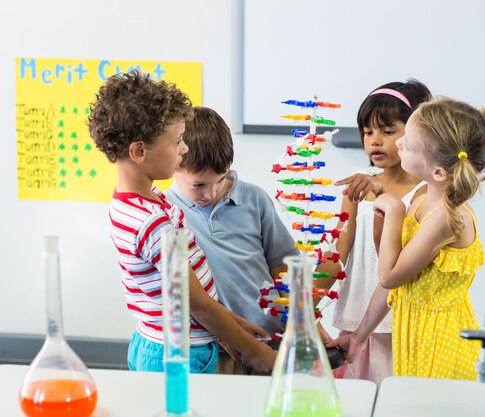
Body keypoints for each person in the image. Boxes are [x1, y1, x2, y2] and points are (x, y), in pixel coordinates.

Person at [88, 71, 275, 374]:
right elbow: (196, 303)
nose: (184, 149)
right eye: (176, 142)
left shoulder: (140, 202)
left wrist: (232, 326)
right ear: (139, 151)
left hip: (170, 341)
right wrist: (257, 353)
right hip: (179, 353)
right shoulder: (152, 224)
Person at [327, 96, 485, 379]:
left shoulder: (446, 216)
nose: (400, 144)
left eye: (410, 143)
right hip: (413, 332)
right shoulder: (422, 201)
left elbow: (390, 276)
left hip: (437, 341)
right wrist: (359, 336)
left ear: (438, 171)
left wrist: (394, 211)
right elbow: (397, 282)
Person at [164, 106, 299, 374]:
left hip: (268, 337)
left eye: (221, 179)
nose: (210, 192)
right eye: (199, 185)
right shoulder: (166, 212)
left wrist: (300, 320)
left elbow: (282, 265)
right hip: (215, 345)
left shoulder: (254, 199)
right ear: (174, 166)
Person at [315, 80, 431, 385]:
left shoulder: (425, 193)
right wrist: (305, 302)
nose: (375, 141)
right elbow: (337, 254)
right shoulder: (359, 183)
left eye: (387, 131)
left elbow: (401, 264)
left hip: (398, 325)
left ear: (416, 134)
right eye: (368, 132)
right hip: (354, 322)